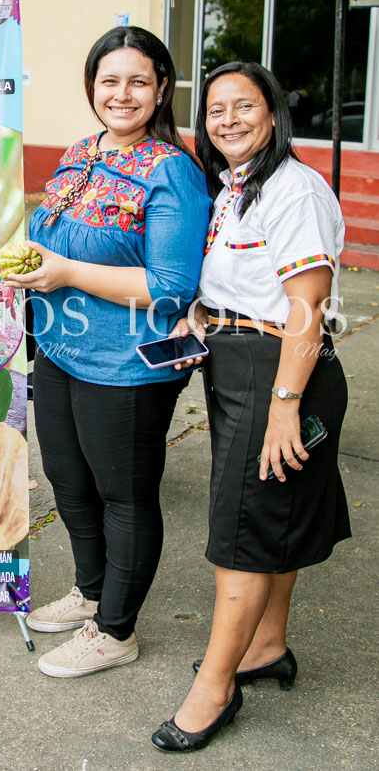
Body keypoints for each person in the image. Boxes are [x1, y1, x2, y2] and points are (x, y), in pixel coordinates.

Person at [150, 62, 350, 752]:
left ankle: (215, 685)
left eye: (243, 106)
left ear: (272, 115)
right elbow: (248, 280)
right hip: (242, 361)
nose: (227, 119)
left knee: (240, 528)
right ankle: (265, 648)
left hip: (281, 374)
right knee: (273, 511)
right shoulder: (236, 188)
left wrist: (284, 406)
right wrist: (205, 317)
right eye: (214, 110)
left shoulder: (293, 189)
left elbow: (307, 307)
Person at [4, 26, 211, 678]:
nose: (121, 94)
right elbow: (52, 239)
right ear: (91, 86)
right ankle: (90, 592)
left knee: (123, 494)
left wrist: (64, 272)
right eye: (108, 80)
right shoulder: (79, 151)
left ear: (160, 89)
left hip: (126, 366)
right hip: (59, 352)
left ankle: (115, 629)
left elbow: (171, 289)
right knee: (70, 483)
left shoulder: (170, 170)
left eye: (137, 81)